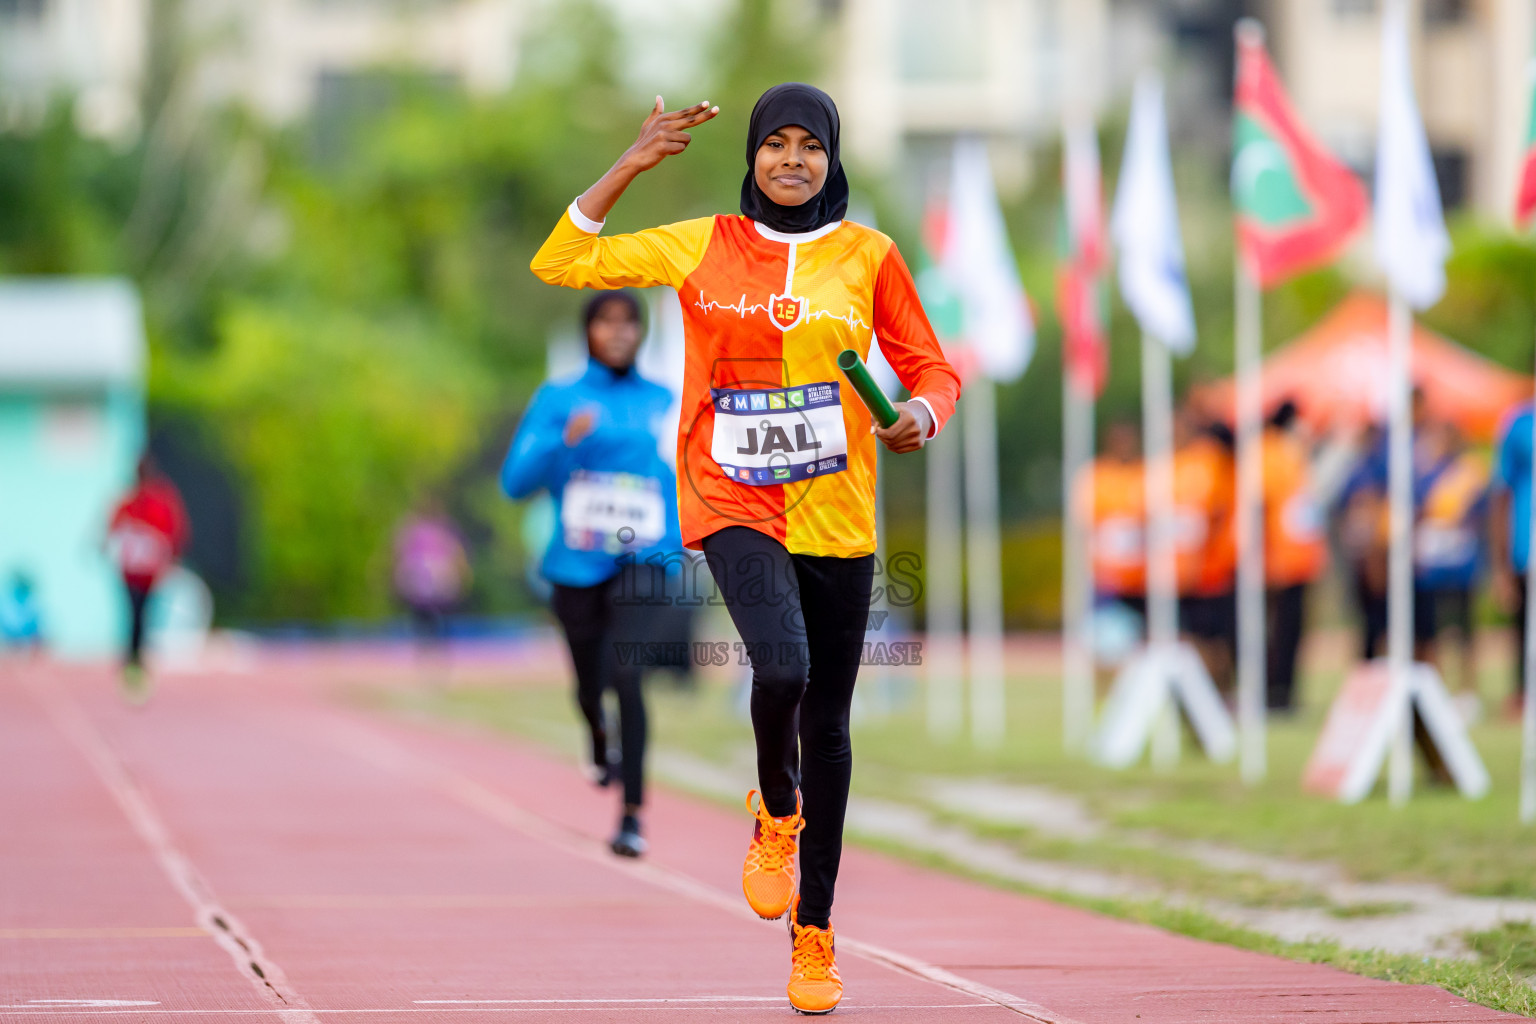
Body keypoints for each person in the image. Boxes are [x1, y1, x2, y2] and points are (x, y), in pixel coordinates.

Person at [530, 85, 960, 1014]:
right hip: (731, 503)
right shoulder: (704, 242)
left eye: (810, 146)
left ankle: (816, 934)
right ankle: (775, 808)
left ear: (832, 158)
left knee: (833, 728)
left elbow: (931, 366)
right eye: (777, 145)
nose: (792, 160)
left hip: (839, 517)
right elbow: (563, 259)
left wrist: (920, 413)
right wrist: (634, 163)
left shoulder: (868, 257)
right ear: (755, 157)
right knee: (782, 667)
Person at [502, 289, 682, 860]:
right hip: (577, 564)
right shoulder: (560, 399)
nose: (620, 332)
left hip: (647, 558)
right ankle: (597, 733)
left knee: (627, 675)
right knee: (589, 683)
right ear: (589, 331)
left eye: (630, 323)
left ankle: (631, 816)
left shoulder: (665, 399)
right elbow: (515, 482)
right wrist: (564, 439)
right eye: (607, 322)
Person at [1412, 420, 1489, 723]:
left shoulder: (1470, 472)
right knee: (1432, 632)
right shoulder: (1424, 473)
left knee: (1464, 630)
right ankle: (1437, 693)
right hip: (1433, 564)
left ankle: (1468, 694)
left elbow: (1480, 512)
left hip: (1461, 562)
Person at [106, 456, 190, 703]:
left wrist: (172, 557)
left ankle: (137, 661)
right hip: (130, 572)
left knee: (142, 616)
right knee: (134, 615)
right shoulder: (129, 500)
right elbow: (113, 527)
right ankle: (133, 661)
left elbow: (174, 531)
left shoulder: (159, 501)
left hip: (149, 574)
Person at [1261, 400, 1326, 712]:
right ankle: (1272, 692)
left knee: (1292, 631)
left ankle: (1286, 692)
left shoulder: (1294, 453)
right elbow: (1261, 506)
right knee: (1275, 631)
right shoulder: (1270, 453)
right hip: (1276, 563)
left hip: (1299, 561)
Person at [1172, 408, 1237, 695]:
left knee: (1214, 638)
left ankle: (1220, 692)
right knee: (1194, 636)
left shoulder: (1206, 460)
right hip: (1186, 571)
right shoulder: (1174, 464)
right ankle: (1204, 694)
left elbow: (1216, 509)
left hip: (1212, 567)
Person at [1080, 421, 1147, 673]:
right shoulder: (1097, 475)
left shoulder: (1145, 474)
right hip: (1106, 577)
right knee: (1103, 647)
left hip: (1141, 576)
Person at [1492, 400, 1533, 720]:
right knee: (1525, 631)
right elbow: (1501, 492)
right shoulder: (1520, 426)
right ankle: (1523, 692)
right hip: (1526, 548)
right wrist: (1500, 566)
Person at [392, 501, 472, 655]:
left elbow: (457, 553)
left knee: (434, 614)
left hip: (435, 577)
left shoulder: (440, 529)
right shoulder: (417, 530)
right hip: (423, 578)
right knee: (425, 614)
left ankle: (435, 645)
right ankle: (430, 646)